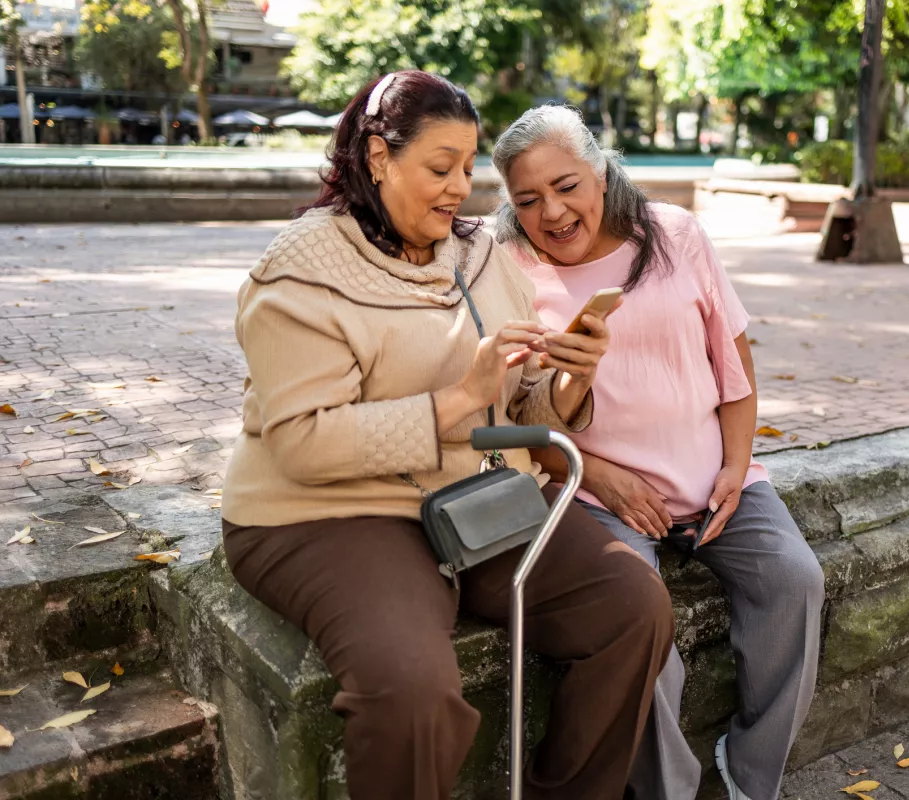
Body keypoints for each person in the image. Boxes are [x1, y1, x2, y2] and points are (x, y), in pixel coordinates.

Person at [220, 72, 675, 800]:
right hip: (329, 514)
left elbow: (523, 408)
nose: (461, 188)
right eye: (440, 168)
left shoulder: (483, 258)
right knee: (410, 691)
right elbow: (305, 443)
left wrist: (570, 381)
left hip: (474, 495)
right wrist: (459, 398)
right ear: (376, 156)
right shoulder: (299, 273)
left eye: (468, 168)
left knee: (635, 607)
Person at [492, 105, 825, 800]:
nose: (551, 211)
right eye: (528, 199)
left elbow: (733, 364)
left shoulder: (676, 235)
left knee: (796, 581)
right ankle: (669, 790)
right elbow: (523, 420)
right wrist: (603, 478)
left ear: (601, 171)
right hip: (594, 494)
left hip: (713, 479)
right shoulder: (510, 271)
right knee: (644, 632)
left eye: (566, 185)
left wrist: (736, 467)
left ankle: (750, 774)